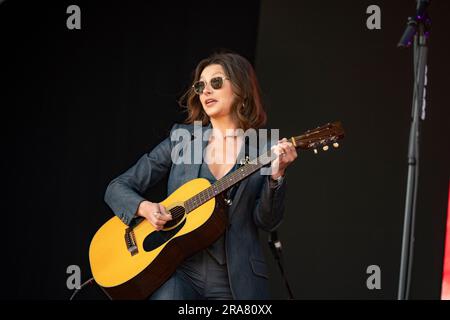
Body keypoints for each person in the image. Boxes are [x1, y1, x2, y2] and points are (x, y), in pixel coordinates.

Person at [104, 52, 298, 300]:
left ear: (241, 89)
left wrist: (276, 176)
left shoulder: (264, 149)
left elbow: (267, 221)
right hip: (180, 271)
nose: (206, 91)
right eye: (200, 85)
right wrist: (145, 208)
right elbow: (116, 187)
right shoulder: (182, 140)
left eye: (216, 82)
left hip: (234, 278)